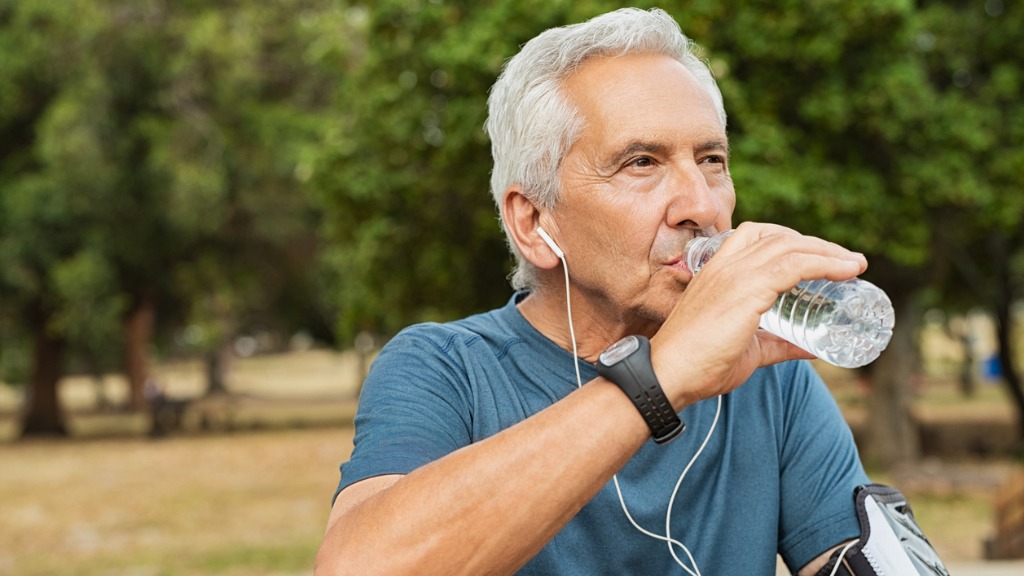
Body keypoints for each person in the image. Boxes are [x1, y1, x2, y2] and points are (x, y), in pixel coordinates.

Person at [316, 8, 926, 575]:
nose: (702, 206)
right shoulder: (448, 369)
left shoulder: (768, 379)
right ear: (533, 222)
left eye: (711, 160)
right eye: (641, 163)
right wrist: (658, 379)